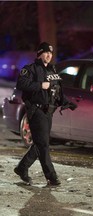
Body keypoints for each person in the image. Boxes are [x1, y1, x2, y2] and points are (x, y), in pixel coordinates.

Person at [14, 42, 77, 186]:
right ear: (39, 53)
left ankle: (22, 168)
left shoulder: (53, 70)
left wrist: (67, 102)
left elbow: (57, 91)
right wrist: (40, 85)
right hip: (36, 111)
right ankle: (52, 177)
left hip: (49, 112)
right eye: (46, 53)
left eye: (51, 53)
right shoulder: (30, 69)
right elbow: (21, 84)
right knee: (43, 145)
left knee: (40, 143)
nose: (49, 55)